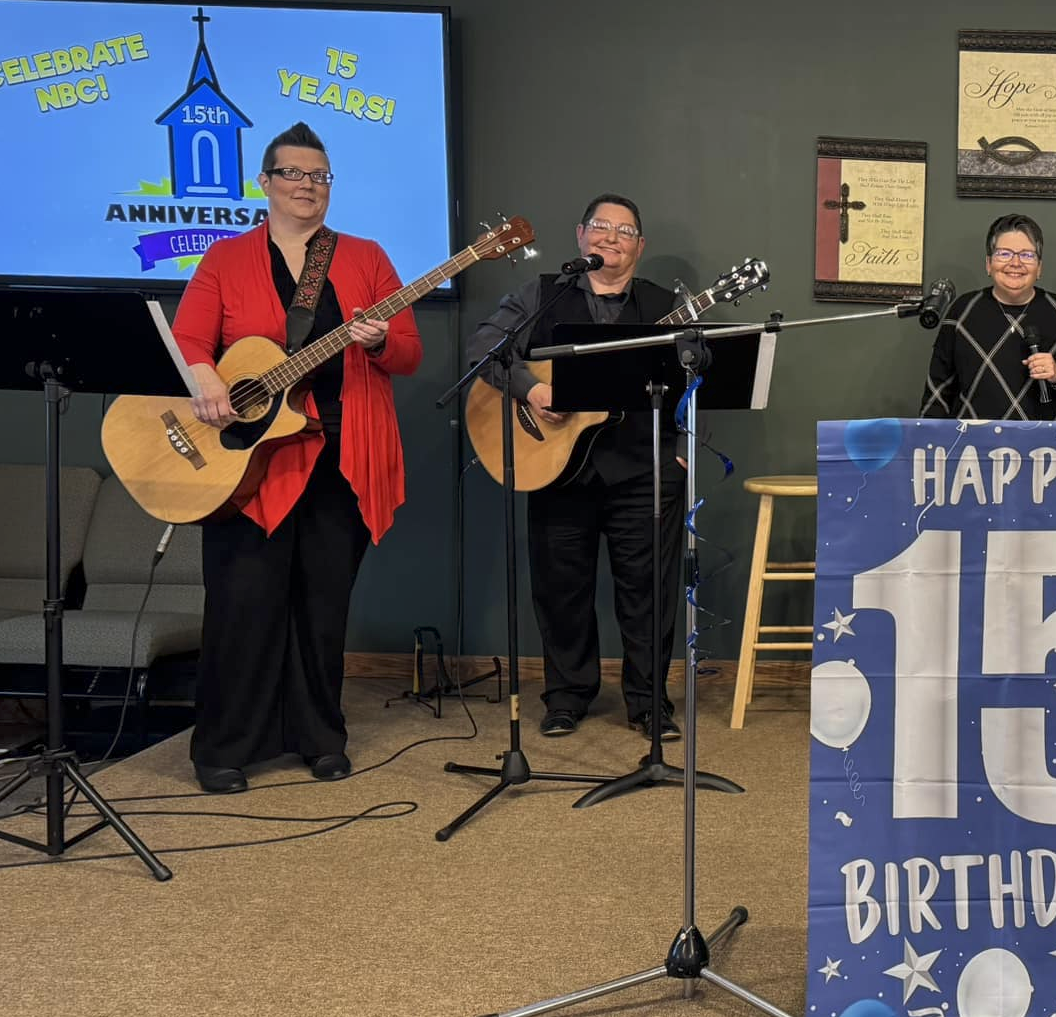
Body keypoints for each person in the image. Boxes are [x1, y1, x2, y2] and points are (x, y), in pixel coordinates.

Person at [174, 122, 421, 793]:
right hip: (251, 462)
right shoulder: (226, 258)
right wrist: (207, 379)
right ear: (265, 182)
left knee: (322, 606)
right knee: (241, 604)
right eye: (294, 174)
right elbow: (190, 340)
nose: (308, 186)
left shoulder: (365, 256)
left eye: (320, 175)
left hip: (342, 454)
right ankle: (224, 747)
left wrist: (373, 343)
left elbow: (407, 352)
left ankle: (320, 737)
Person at [466, 194, 687, 741]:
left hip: (643, 469)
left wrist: (684, 444)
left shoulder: (666, 305)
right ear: (580, 235)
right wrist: (533, 389)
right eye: (600, 226)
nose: (610, 237)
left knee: (649, 591)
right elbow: (483, 347)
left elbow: (696, 378)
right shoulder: (540, 295)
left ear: (641, 246)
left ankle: (647, 702)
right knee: (560, 588)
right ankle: (566, 696)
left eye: (624, 230)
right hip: (557, 469)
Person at [921, 214, 1056, 420]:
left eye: (1027, 255)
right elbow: (937, 393)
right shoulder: (962, 311)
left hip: (1048, 446)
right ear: (988, 264)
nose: (1015, 263)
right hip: (975, 446)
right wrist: (930, 441)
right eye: (1004, 254)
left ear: (1040, 267)